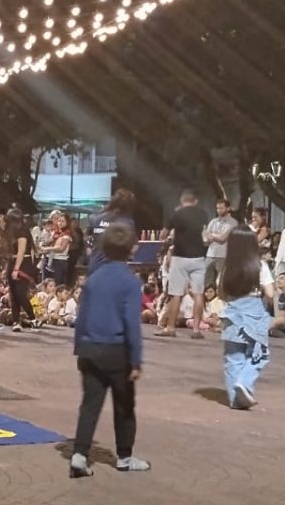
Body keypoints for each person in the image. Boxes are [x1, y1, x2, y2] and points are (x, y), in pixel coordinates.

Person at [68, 222, 147, 478]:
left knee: (90, 405)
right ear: (131, 249)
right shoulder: (130, 282)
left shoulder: (93, 279)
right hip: (117, 351)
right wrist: (136, 360)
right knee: (124, 406)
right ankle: (124, 456)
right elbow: (132, 324)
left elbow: (82, 316)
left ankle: (79, 455)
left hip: (90, 348)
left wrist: (79, 349)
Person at [219, 230, 281, 410]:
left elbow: (221, 293)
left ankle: (235, 399)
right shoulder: (260, 266)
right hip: (254, 313)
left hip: (232, 313)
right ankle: (244, 383)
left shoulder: (226, 267)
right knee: (259, 354)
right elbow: (270, 293)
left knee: (233, 357)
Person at [156, 189, 210, 338]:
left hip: (180, 257)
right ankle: (196, 330)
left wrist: (168, 238)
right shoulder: (203, 214)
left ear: (182, 200)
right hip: (199, 257)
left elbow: (163, 234)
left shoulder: (176, 214)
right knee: (198, 293)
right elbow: (206, 235)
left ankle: (170, 328)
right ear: (195, 201)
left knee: (176, 294)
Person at [4, 211, 39, 332]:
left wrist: (16, 268)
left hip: (23, 264)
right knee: (13, 294)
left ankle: (33, 319)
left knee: (20, 293)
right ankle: (16, 321)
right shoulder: (11, 232)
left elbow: (21, 251)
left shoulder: (22, 232)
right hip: (12, 261)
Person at [203, 198, 238, 292]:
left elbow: (223, 238)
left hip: (223, 255)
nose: (219, 210)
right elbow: (205, 239)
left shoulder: (232, 222)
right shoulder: (213, 221)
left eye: (221, 208)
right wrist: (213, 237)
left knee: (220, 281)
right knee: (206, 280)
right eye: (217, 208)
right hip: (210, 255)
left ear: (227, 208)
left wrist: (212, 235)